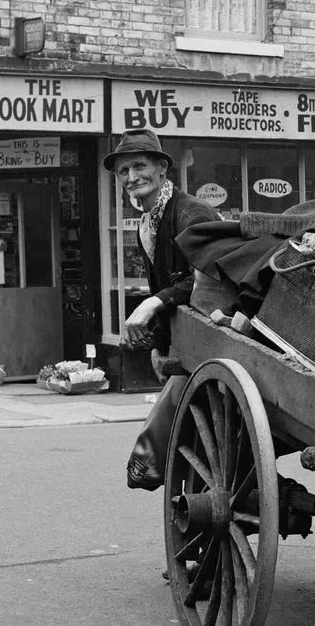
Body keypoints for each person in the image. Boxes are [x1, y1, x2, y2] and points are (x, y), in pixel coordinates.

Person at [105, 130, 220, 490]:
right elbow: (165, 283)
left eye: (139, 166)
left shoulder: (191, 213)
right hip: (186, 338)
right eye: (123, 171)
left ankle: (149, 466)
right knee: (190, 426)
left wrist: (152, 304)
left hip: (217, 331)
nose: (131, 177)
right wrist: (158, 344)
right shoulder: (147, 222)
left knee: (182, 415)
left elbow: (212, 279)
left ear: (162, 169)